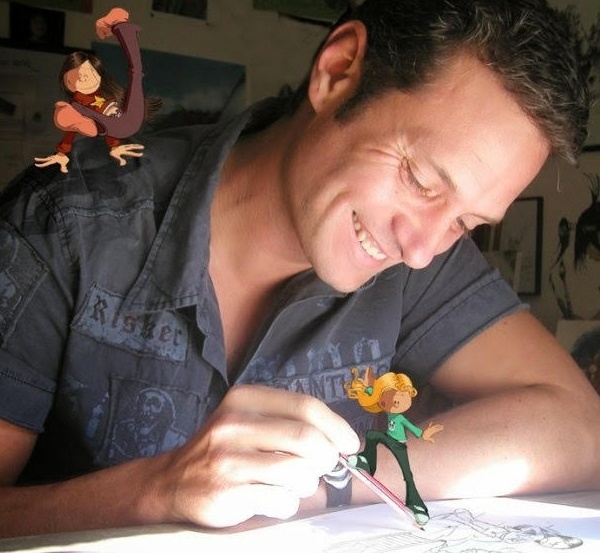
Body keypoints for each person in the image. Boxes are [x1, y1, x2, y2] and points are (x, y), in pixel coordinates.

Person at [0, 0, 599, 539]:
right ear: (337, 72)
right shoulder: (62, 225)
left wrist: (337, 483)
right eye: (419, 179)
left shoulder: (420, 255)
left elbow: (579, 426)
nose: (420, 250)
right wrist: (154, 492)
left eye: (466, 222)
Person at [34, 8, 157, 173]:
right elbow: (92, 128)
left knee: (136, 72)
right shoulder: (78, 104)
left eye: (88, 74)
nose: (83, 80)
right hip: (113, 123)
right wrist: (62, 152)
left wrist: (114, 146)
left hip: (122, 121)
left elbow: (109, 124)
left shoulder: (98, 97)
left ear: (98, 75)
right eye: (75, 78)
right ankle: (119, 25)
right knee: (135, 73)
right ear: (67, 83)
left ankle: (119, 24)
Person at [345, 367, 444, 524]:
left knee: (407, 476)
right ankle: (365, 461)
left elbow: (413, 429)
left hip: (398, 445)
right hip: (388, 441)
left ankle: (417, 506)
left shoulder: (400, 418)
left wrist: (424, 434)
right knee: (372, 435)